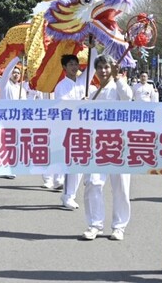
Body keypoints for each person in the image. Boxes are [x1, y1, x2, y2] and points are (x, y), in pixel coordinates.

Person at [82, 54, 132, 241]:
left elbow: (128, 98)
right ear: (95, 70)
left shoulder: (119, 87)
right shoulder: (92, 92)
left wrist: (119, 78)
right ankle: (95, 224)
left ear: (112, 69)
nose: (103, 71)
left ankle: (119, 226)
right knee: (93, 183)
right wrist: (84, 104)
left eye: (106, 67)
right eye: (100, 67)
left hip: (119, 144)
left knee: (120, 187)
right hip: (96, 145)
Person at [54, 41, 97, 209]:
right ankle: (68, 195)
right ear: (64, 67)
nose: (74, 66)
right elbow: (64, 108)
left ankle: (70, 194)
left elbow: (93, 65)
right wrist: (81, 103)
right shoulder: (61, 86)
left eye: (76, 64)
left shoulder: (82, 81)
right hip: (69, 130)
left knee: (81, 162)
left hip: (86, 128)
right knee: (73, 163)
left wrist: (92, 47)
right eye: (70, 64)